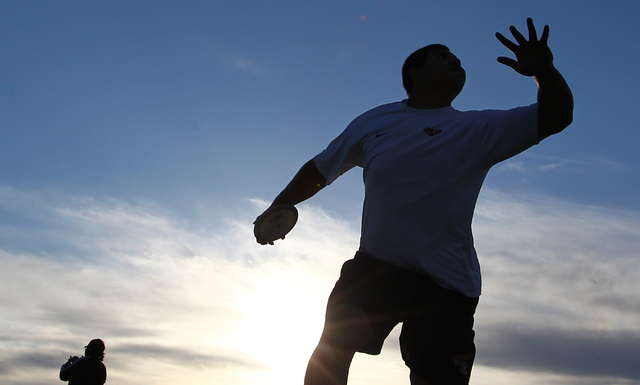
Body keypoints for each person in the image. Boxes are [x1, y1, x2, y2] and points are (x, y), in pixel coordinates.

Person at [254, 18, 573, 385]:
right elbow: (321, 168)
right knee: (337, 339)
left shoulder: (478, 129)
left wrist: (545, 72)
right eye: (444, 56)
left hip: (449, 284)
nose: (456, 60)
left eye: (457, 58)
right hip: (378, 267)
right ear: (414, 72)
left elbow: (557, 116)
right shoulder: (377, 120)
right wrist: (278, 206)